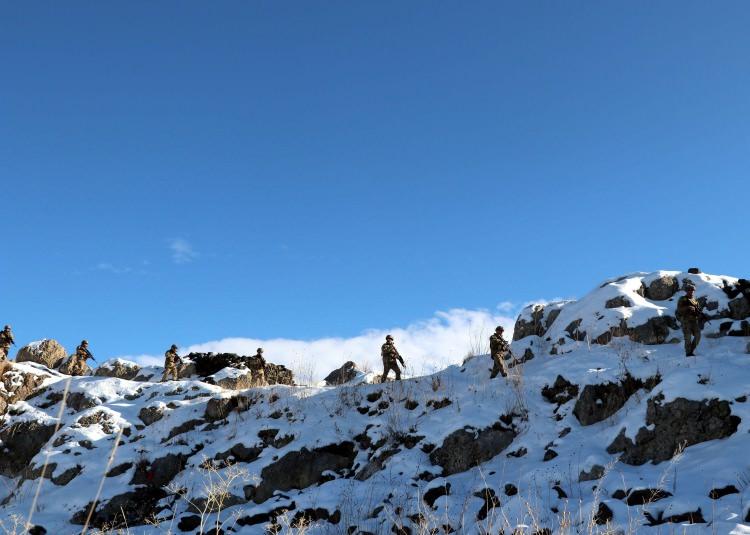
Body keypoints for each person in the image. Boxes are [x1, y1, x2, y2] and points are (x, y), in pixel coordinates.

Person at [676, 285, 703, 357]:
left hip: (694, 321)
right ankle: (688, 353)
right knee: (687, 337)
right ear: (686, 291)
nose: (691, 292)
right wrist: (688, 307)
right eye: (689, 290)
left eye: (692, 290)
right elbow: (679, 309)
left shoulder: (695, 301)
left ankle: (691, 350)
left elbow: (699, 310)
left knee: (698, 335)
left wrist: (699, 313)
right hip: (686, 320)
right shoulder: (683, 299)